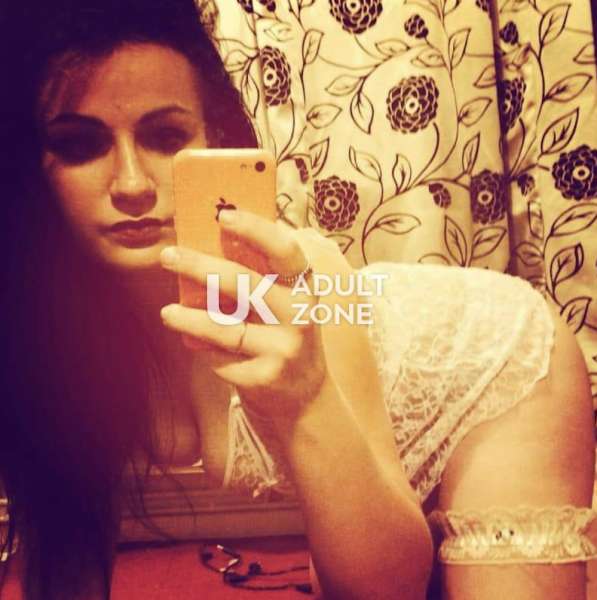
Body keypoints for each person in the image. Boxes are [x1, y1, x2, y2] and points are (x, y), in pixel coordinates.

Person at [0, 1, 594, 599]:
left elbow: (385, 594)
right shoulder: (44, 323)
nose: (131, 184)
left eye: (166, 137)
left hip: (493, 364)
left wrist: (308, 402)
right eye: (79, 145)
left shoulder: (296, 278)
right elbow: (66, 539)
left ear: (213, 142)